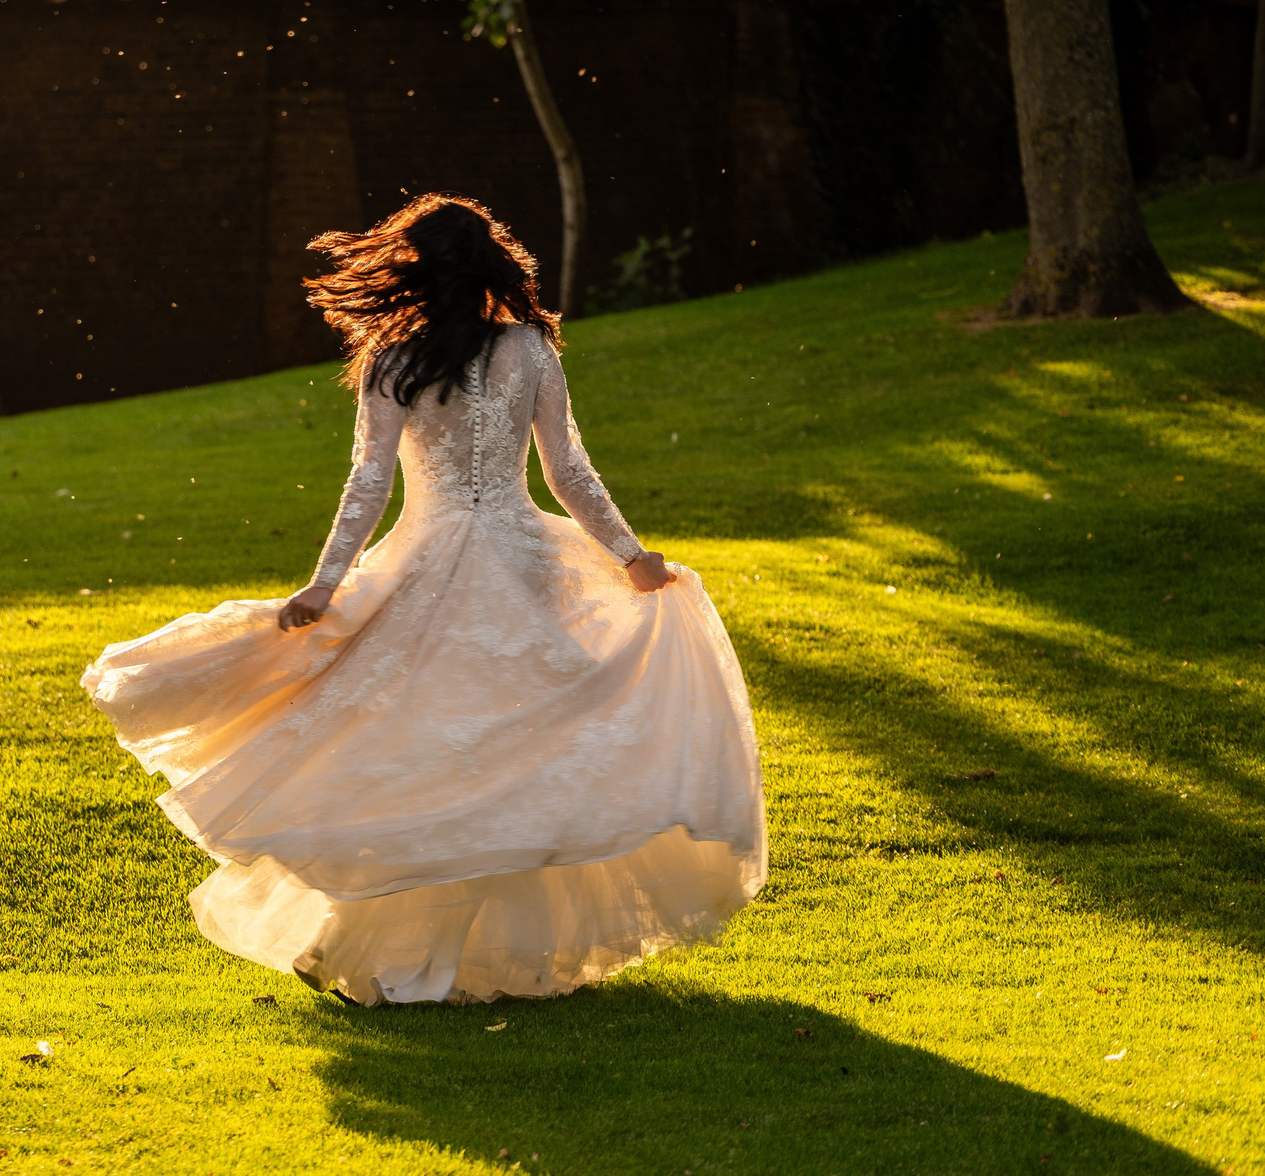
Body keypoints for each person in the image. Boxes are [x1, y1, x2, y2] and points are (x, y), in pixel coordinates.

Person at [80, 194, 765, 1005]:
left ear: (410, 270)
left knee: (423, 746)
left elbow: (368, 480)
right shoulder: (531, 348)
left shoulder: (392, 358)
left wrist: (327, 582)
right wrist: (630, 555)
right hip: (521, 556)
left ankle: (413, 952)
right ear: (491, 263)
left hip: (425, 561)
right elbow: (567, 472)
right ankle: (497, 954)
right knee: (519, 749)